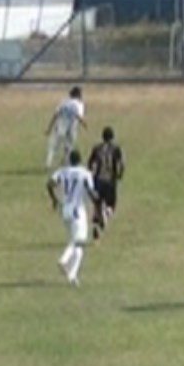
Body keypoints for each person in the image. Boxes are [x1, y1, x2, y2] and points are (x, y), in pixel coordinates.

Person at [47, 150, 98, 287]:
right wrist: (97, 200)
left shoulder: (63, 171)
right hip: (77, 210)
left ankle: (72, 275)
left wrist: (54, 200)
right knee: (79, 241)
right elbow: (90, 190)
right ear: (80, 160)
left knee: (78, 245)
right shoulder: (85, 173)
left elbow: (50, 183)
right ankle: (64, 259)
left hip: (65, 209)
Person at [87, 127, 125, 240]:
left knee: (97, 205)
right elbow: (122, 163)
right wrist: (120, 175)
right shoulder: (116, 149)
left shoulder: (97, 148)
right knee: (111, 206)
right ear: (112, 137)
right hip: (110, 181)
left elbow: (90, 163)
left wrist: (91, 176)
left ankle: (96, 226)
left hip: (98, 180)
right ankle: (106, 215)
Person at [45, 86, 87, 169]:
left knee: (54, 146)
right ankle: (67, 163)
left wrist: (49, 128)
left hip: (60, 126)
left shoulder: (63, 102)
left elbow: (56, 114)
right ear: (78, 95)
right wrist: (84, 124)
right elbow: (79, 115)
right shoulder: (79, 104)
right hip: (72, 128)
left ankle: (48, 163)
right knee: (68, 147)